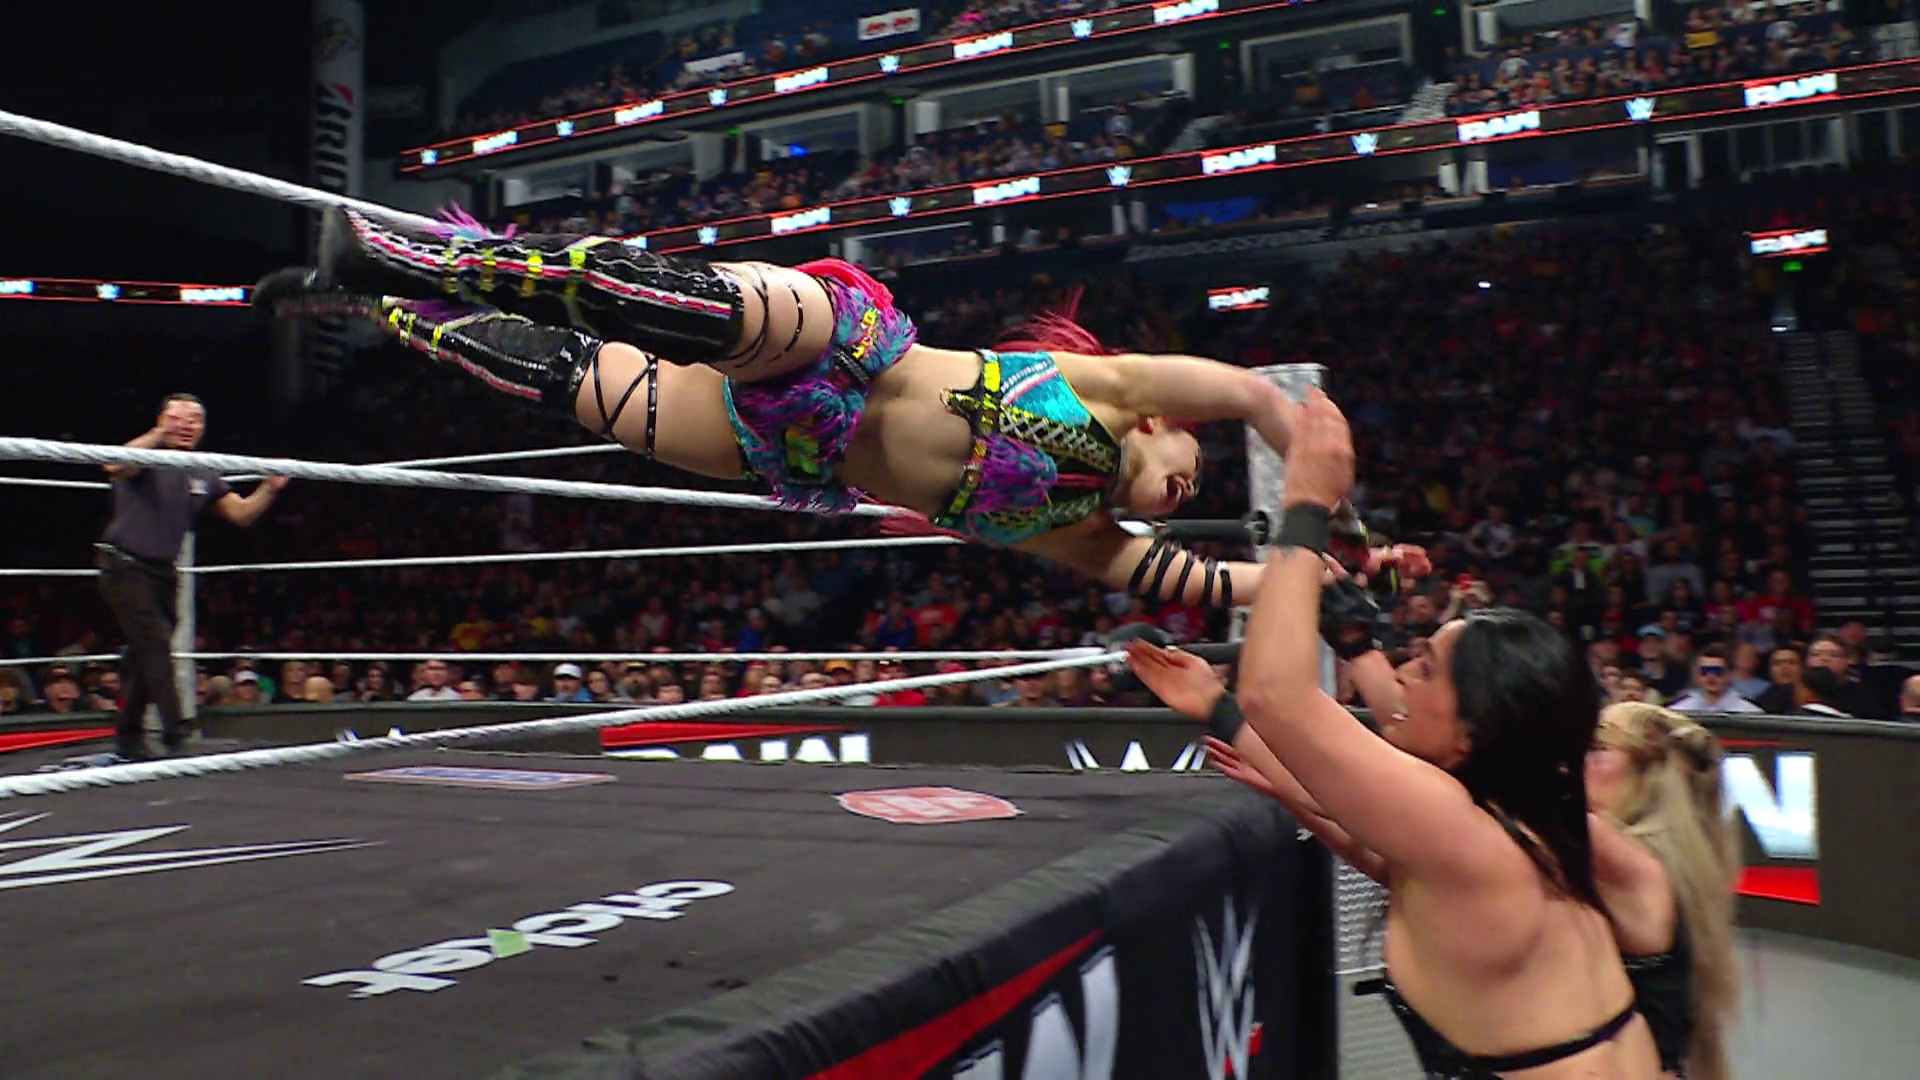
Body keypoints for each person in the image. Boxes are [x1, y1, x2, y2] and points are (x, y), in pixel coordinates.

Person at [255, 207, 1305, 610]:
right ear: (1166, 425)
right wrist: (1318, 494)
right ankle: (405, 258)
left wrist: (1314, 579)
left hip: (789, 447)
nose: (1188, 491)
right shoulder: (1115, 391)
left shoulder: (1081, 532)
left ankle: (379, 302)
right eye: (1197, 468)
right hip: (849, 344)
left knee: (571, 381)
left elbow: (1208, 582)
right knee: (665, 301)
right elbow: (1257, 396)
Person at [1170, 388, 1658, 1078]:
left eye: (1424, 669)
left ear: (1472, 734)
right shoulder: (1520, 823)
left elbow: (1277, 695)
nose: (1399, 675)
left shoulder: (1467, 830)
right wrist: (1221, 712)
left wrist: (1305, 504)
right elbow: (1364, 836)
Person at [97, 394, 287, 759]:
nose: (186, 424)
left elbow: (241, 515)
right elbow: (114, 465)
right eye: (177, 417)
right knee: (155, 645)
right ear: (161, 419)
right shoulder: (147, 456)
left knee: (143, 654)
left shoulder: (202, 470)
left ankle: (129, 733)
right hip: (124, 565)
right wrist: (158, 434)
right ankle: (177, 731)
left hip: (163, 571)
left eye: (194, 418)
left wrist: (268, 488)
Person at [1585, 702, 1740, 1079]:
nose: (1578, 760)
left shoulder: (1620, 858)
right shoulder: (1673, 859)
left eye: (1598, 749)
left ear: (1647, 773)